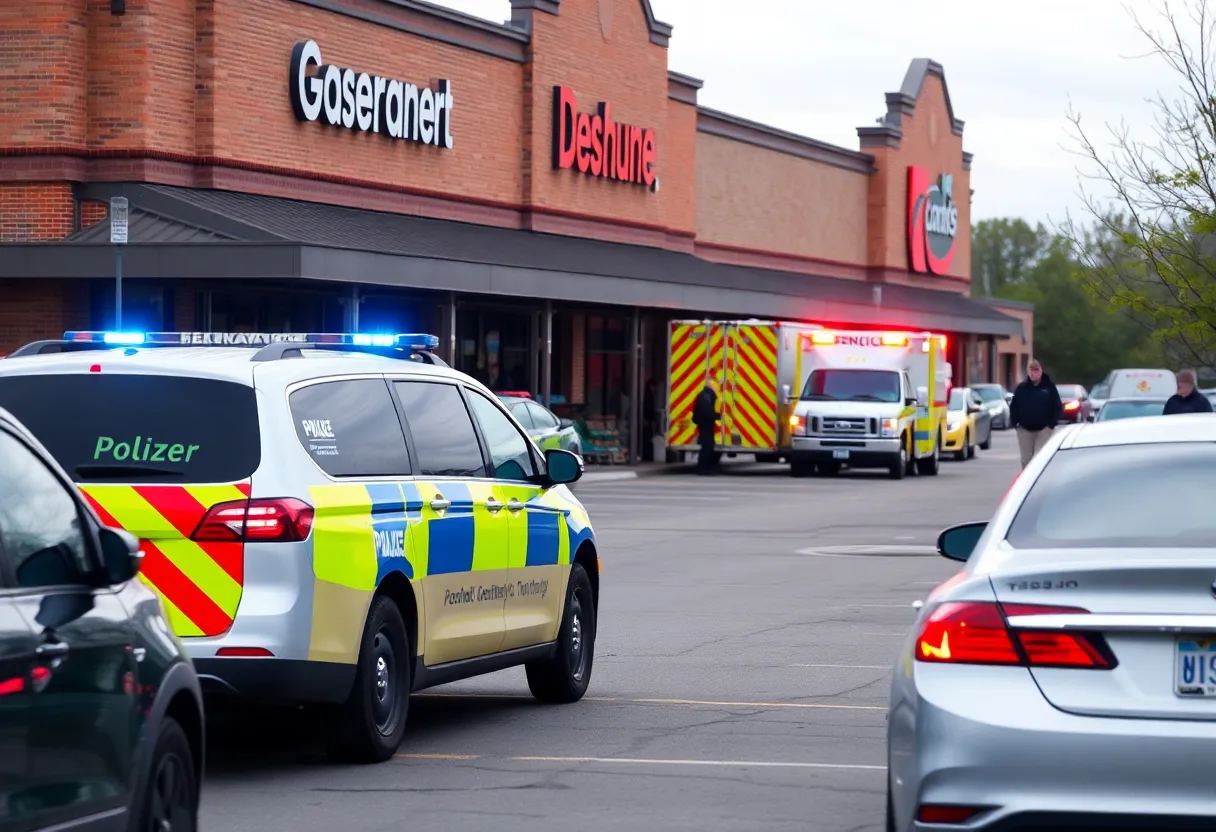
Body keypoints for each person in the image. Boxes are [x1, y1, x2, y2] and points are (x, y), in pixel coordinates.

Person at [1010, 359, 1063, 468]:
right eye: (1031, 370)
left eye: (1036, 370)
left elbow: (1057, 406)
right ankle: (1027, 482)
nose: (1033, 373)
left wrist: (1051, 424)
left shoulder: (1049, 387)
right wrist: (1015, 423)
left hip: (1044, 430)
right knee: (1026, 460)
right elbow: (1014, 406)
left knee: (1040, 458)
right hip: (1024, 430)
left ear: (1041, 371)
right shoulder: (1022, 388)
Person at [692, 379, 721, 475]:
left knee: (707, 446)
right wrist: (716, 417)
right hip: (706, 425)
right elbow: (708, 412)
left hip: (703, 424)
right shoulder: (708, 396)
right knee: (707, 447)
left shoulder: (702, 395)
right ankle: (703, 469)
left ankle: (704, 468)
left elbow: (697, 411)